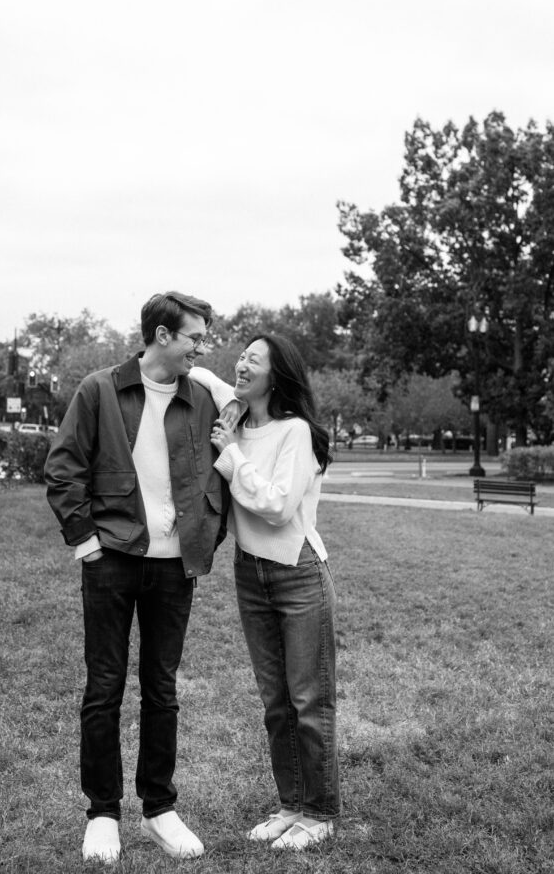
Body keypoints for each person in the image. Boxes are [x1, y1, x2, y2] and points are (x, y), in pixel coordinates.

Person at [44, 292, 236, 864]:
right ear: (160, 335)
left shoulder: (200, 396)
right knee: (103, 690)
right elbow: (64, 468)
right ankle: (103, 814)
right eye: (194, 337)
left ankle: (159, 810)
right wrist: (86, 541)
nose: (202, 348)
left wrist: (208, 531)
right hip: (112, 560)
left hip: (176, 567)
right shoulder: (99, 389)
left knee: (162, 690)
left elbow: (237, 436)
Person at [191, 333, 340, 851]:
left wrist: (231, 456)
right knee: (276, 702)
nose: (241, 363)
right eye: (241, 356)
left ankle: (319, 813)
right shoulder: (236, 417)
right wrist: (164, 354)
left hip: (298, 571)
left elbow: (276, 507)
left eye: (254, 359)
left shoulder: (295, 432)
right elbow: (202, 376)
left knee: (308, 699)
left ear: (277, 375)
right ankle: (291, 805)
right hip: (250, 571)